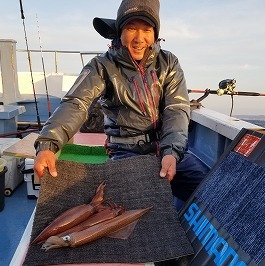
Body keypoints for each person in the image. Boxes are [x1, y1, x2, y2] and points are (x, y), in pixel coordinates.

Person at [34, 0, 209, 209]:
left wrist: (171, 152)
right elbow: (76, 103)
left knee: (210, 189)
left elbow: (176, 109)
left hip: (167, 148)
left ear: (155, 33)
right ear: (119, 31)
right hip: (126, 151)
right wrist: (48, 144)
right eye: (131, 28)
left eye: (146, 29)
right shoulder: (101, 66)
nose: (139, 38)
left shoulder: (169, 62)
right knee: (126, 207)